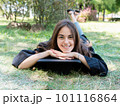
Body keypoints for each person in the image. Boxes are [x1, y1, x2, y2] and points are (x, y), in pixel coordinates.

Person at [12, 9, 108, 76]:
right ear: (55, 38)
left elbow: (103, 69)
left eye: (70, 37)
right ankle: (73, 16)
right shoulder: (48, 46)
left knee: (79, 30)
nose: (66, 42)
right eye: (61, 37)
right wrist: (48, 53)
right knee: (67, 31)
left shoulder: (83, 47)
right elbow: (21, 65)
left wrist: (76, 55)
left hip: (81, 39)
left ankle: (73, 16)